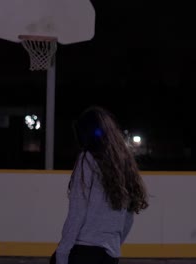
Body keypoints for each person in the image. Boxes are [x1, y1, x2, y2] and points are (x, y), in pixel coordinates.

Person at [54, 106, 149, 264]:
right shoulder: (124, 162)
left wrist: (62, 252)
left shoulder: (87, 159)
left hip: (83, 251)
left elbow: (77, 211)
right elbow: (128, 217)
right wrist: (114, 245)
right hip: (110, 254)